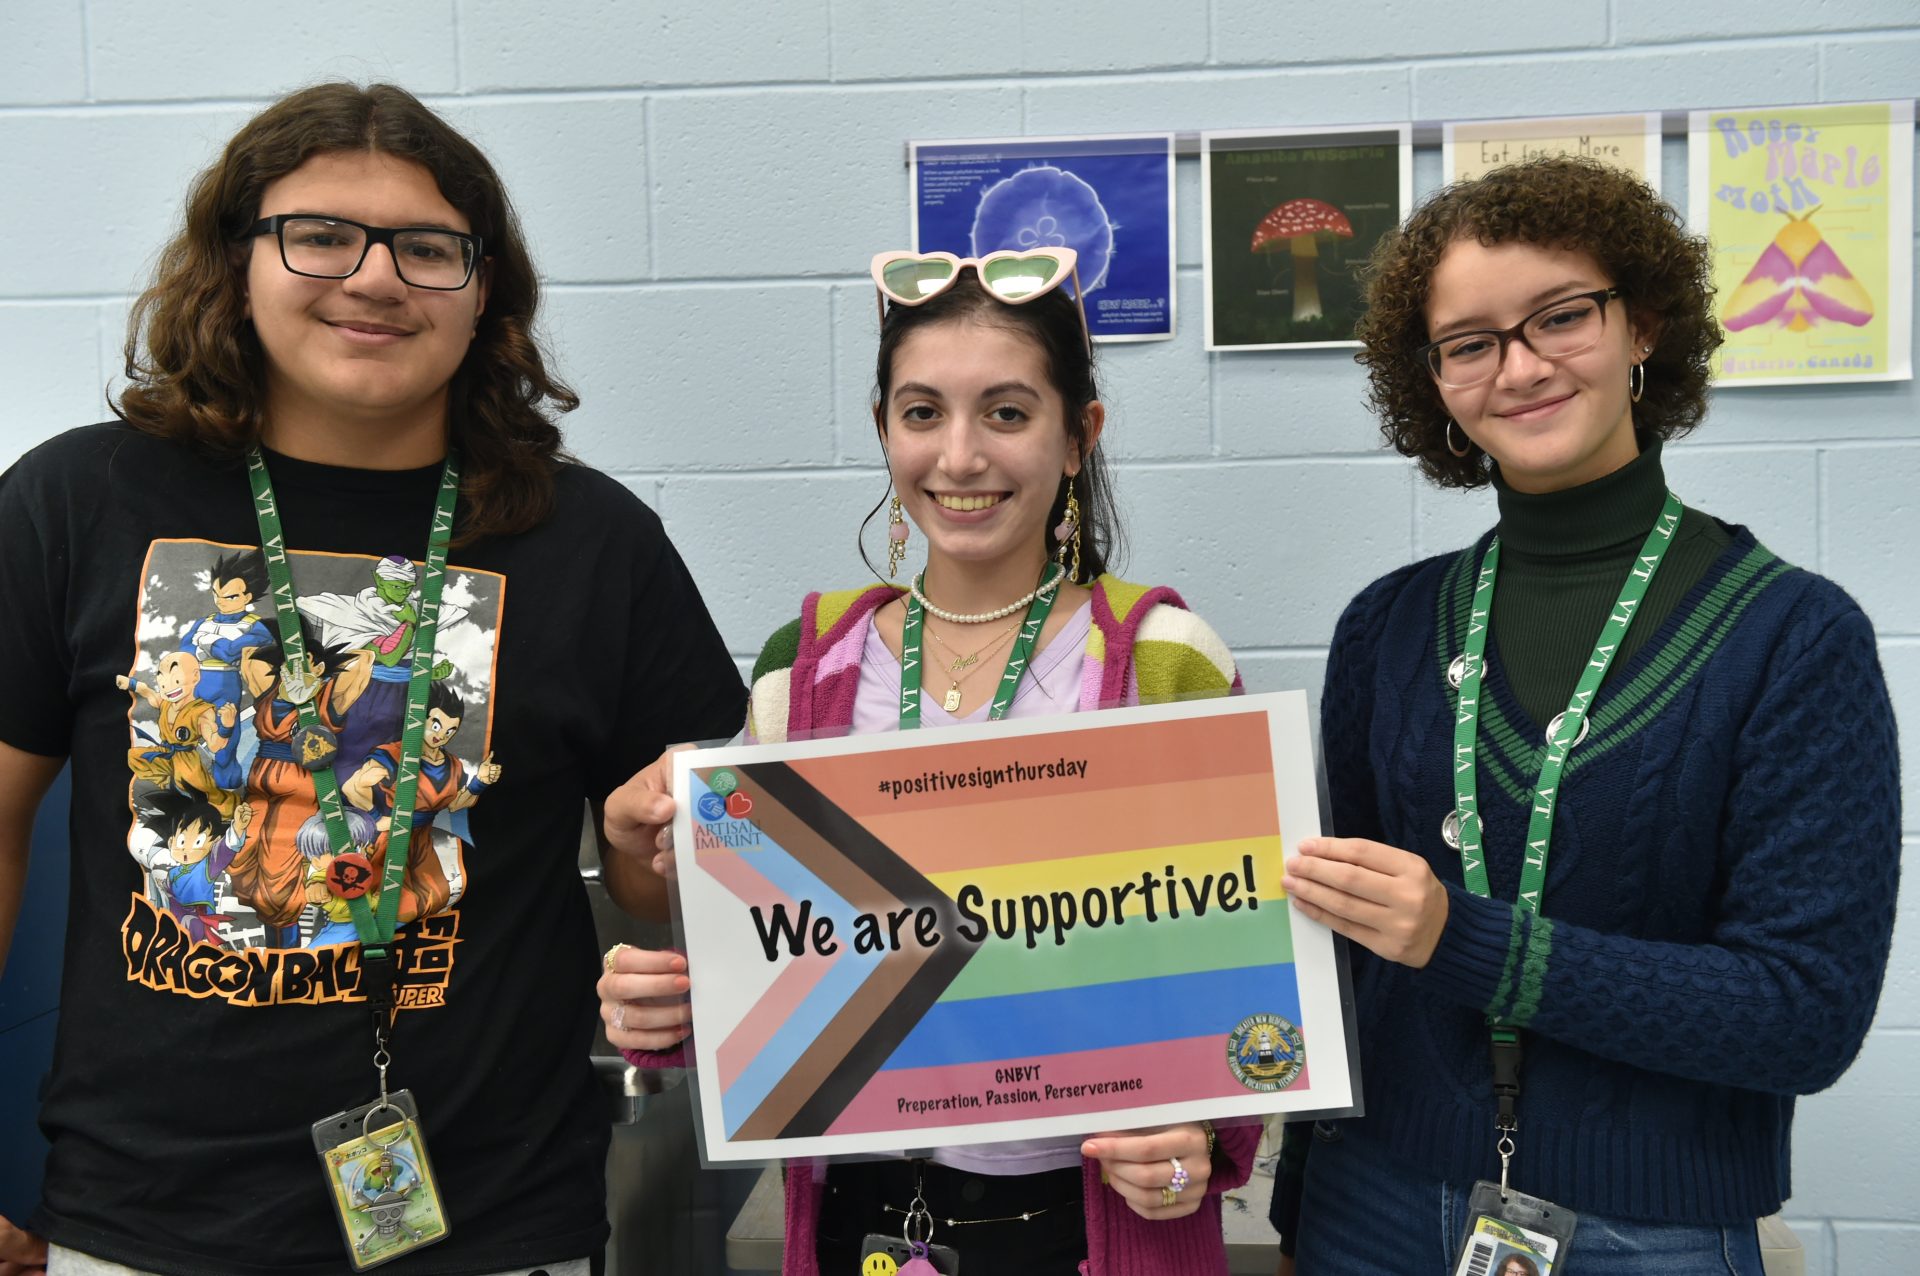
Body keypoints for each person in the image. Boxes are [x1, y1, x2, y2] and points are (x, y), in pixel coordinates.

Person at [0, 82, 744, 1276]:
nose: (377, 277)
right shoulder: (74, 504)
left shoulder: (593, 542)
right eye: (321, 236)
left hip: (492, 1221)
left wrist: (650, 852)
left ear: (484, 290)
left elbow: (684, 884)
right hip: (144, 1223)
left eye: (428, 248)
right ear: (236, 263)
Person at [1267, 156, 1901, 1272]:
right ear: (1434, 381)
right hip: (1368, 1206)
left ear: (1643, 323)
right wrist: (1296, 1203)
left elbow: (1805, 1015)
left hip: (1648, 1231)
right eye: (1470, 342)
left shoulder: (1795, 638)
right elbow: (1338, 962)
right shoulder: (1387, 627)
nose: (1519, 368)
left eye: (1561, 317)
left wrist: (1462, 939)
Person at [596, 249, 1259, 1275]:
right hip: (858, 1212)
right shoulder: (804, 670)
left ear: (1079, 436)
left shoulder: (1166, 660)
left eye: (1007, 413)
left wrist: (1202, 1145)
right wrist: (676, 1011)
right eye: (921, 413)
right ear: (882, 430)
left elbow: (1238, 968)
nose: (959, 456)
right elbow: (782, 964)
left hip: (1085, 1222)